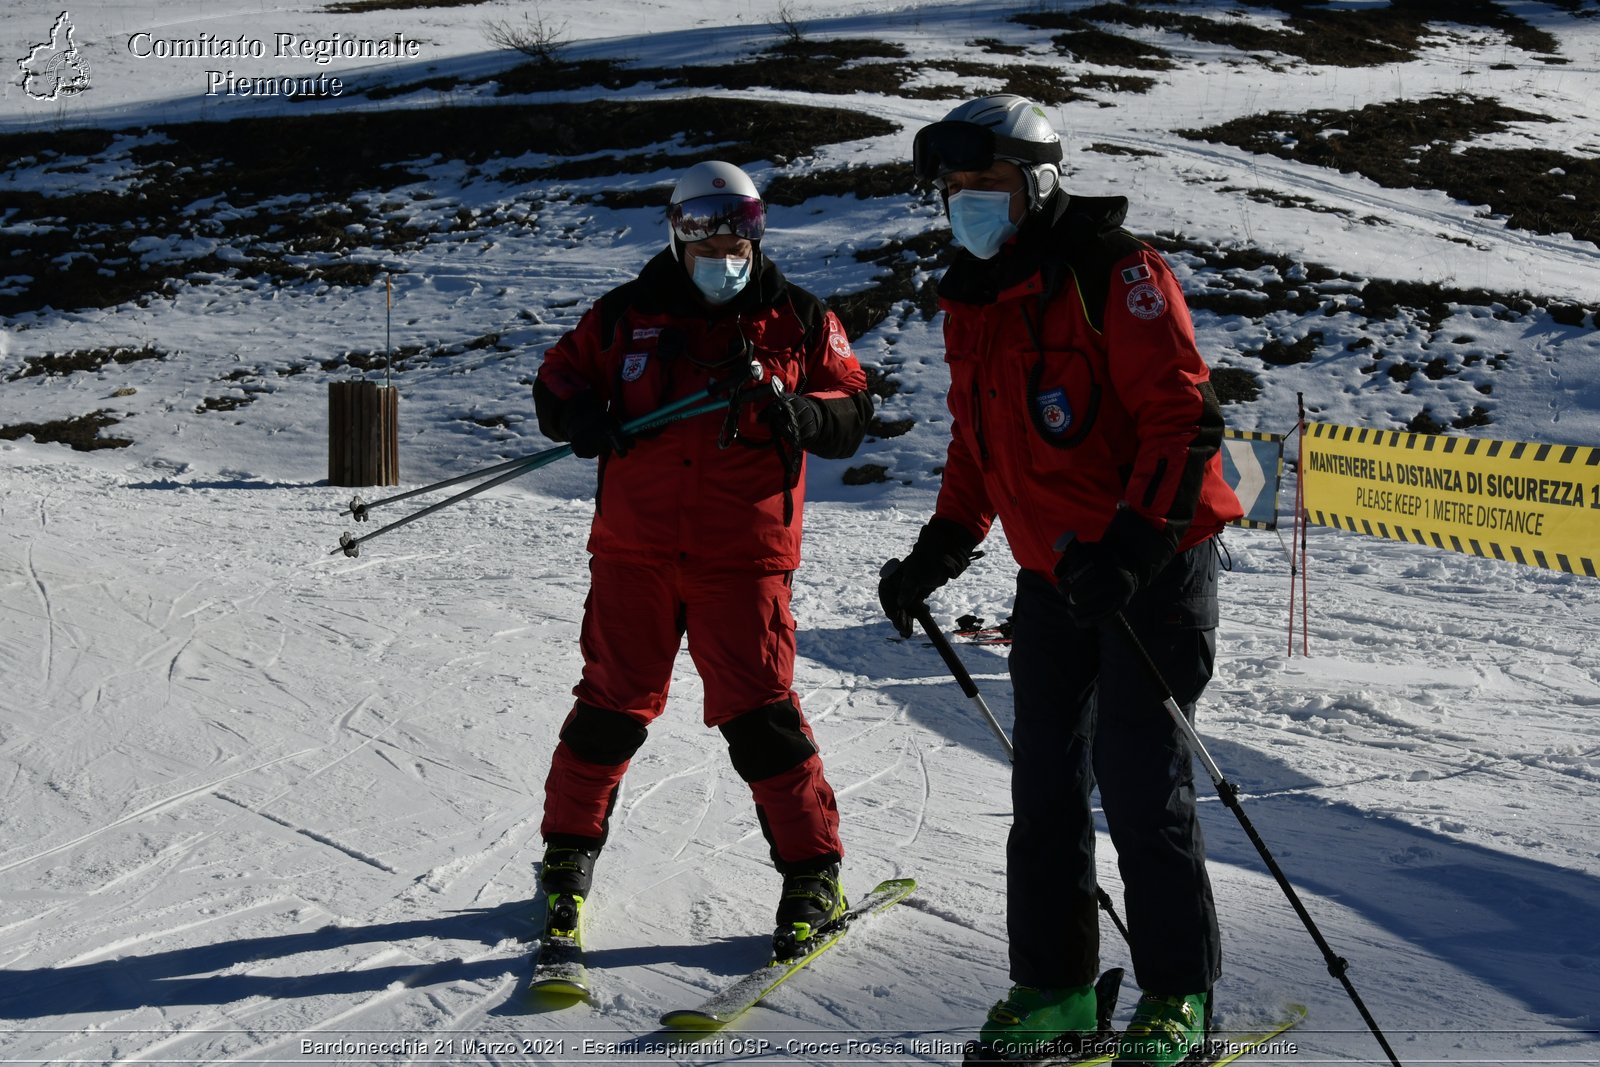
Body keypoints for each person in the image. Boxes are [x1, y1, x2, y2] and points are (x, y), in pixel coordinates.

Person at [879, 96, 1244, 1066]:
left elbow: (1183, 421)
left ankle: (1178, 995)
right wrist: (939, 551)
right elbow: (981, 444)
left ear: (1035, 186)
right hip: (1053, 578)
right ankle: (1055, 988)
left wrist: (1126, 548)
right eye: (953, 191)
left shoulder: (1114, 274)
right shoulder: (972, 295)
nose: (966, 206)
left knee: (1136, 781)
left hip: (1149, 569)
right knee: (1043, 788)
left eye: (984, 187)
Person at [533, 160, 873, 960]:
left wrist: (800, 413)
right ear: (678, 230)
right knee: (610, 711)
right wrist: (583, 415)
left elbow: (852, 405)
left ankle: (813, 873)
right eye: (706, 230)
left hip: (742, 558)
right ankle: (564, 861)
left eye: (740, 230)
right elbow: (556, 383)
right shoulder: (625, 315)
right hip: (636, 554)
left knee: (762, 718)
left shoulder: (798, 318)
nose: (725, 246)